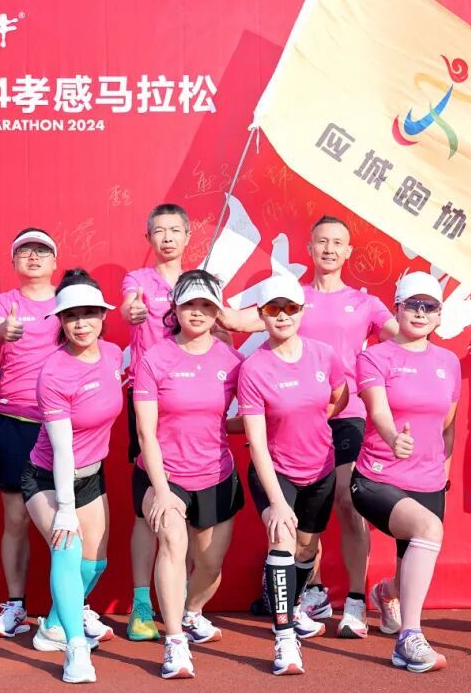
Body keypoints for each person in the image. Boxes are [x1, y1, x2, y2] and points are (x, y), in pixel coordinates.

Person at [221, 215, 397, 637]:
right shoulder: (291, 299)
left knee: (348, 502)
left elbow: (403, 333)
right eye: (322, 241)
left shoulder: (365, 303)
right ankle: (310, 591)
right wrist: (183, 293)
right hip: (295, 419)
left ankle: (356, 600)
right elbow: (235, 320)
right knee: (299, 516)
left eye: (337, 242)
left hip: (345, 412)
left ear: (348, 251)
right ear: (310, 248)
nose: (329, 249)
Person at [132, 270, 247, 679]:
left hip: (216, 474)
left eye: (206, 305)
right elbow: (145, 432)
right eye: (189, 304)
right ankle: (175, 641)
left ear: (217, 312)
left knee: (210, 564)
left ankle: (191, 612)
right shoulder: (155, 359)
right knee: (172, 543)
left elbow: (251, 416)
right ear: (175, 309)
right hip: (166, 476)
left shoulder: (232, 361)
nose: (197, 313)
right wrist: (162, 492)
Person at [238, 275, 349, 675]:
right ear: (262, 315)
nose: (282, 316)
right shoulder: (254, 368)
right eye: (273, 309)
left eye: (290, 308)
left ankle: (293, 604)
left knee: (306, 550)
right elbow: (256, 443)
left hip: (320, 468)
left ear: (302, 311)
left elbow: (340, 397)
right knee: (282, 541)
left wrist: (313, 420)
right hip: (275, 471)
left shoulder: (324, 355)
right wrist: (278, 501)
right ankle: (284, 638)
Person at [351, 272, 459, 673]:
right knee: (428, 529)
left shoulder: (448, 362)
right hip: (377, 477)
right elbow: (378, 411)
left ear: (439, 315)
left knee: (407, 573)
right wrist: (394, 437)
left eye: (429, 306)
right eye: (413, 304)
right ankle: (409, 639)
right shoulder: (375, 357)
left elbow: (448, 425)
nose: (420, 312)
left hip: (428, 481)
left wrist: (442, 473)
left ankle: (385, 593)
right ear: (397, 309)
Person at [20, 269, 121, 683]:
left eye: (89, 313)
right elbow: (62, 449)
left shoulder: (114, 355)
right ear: (60, 321)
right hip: (47, 477)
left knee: (95, 564)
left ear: (103, 315)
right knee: (68, 549)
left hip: (91, 476)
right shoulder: (54, 373)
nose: (81, 323)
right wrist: (65, 508)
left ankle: (53, 626)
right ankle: (75, 649)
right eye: (71, 315)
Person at [0, 229, 58, 639]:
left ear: (54, 262)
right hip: (13, 421)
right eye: (25, 251)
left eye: (42, 251)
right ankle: (15, 605)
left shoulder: (68, 302)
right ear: (13, 262)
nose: (33, 257)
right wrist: (3, 331)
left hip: (60, 424)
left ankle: (71, 608)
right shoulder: (2, 304)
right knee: (15, 519)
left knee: (67, 519)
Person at [120, 203, 192, 642]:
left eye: (174, 230)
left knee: (185, 506)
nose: (167, 238)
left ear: (187, 236)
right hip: (148, 398)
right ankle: (142, 602)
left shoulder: (198, 281)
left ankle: (180, 603)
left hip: (191, 398)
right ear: (148, 238)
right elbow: (130, 306)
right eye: (159, 231)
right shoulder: (139, 280)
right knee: (147, 507)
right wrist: (133, 311)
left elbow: (219, 326)